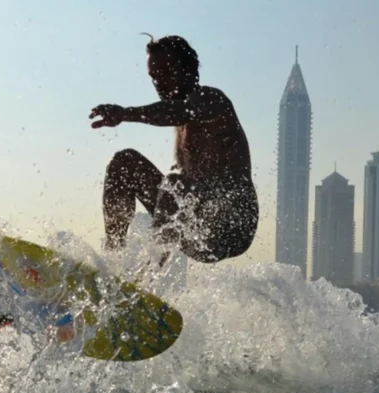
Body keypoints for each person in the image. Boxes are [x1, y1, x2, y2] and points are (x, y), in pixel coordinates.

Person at [89, 34, 259, 267]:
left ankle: (149, 280)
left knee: (176, 182)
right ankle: (113, 260)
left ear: (189, 71)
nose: (159, 82)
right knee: (123, 162)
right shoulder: (181, 122)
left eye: (166, 73)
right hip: (194, 222)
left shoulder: (212, 100)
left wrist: (124, 114)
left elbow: (179, 112)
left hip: (232, 226)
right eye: (154, 76)